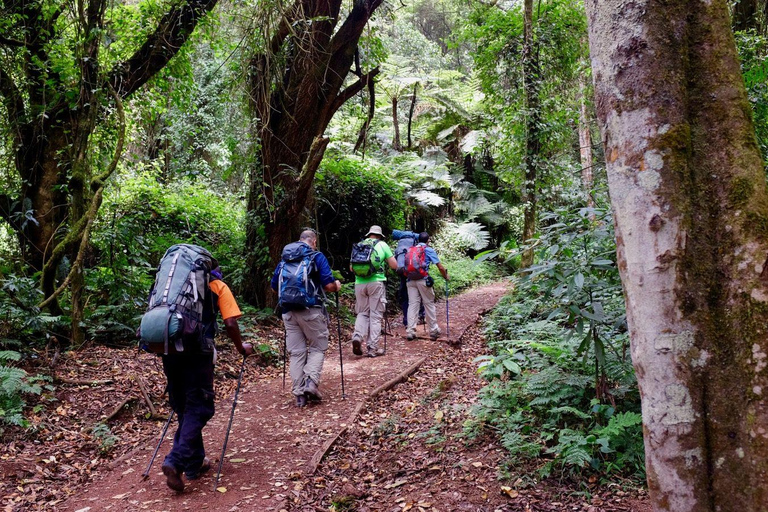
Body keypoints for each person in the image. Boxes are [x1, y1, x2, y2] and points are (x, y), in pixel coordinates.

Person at [161, 263, 254, 493]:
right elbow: (230, 322)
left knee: (184, 407)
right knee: (200, 408)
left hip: (168, 349)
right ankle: (176, 460)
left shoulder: (171, 286)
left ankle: (194, 463)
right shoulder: (217, 285)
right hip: (197, 353)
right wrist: (241, 347)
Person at [271, 229, 341, 408]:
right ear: (313, 241)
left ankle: (299, 394)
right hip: (310, 310)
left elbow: (274, 287)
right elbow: (328, 285)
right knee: (318, 346)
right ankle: (311, 382)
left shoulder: (285, 259)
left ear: (300, 240)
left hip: (288, 312)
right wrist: (336, 286)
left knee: (297, 352)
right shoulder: (316, 256)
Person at [350, 225, 398, 357]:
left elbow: (351, 268)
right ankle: (372, 348)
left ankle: (357, 336)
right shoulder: (382, 245)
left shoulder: (360, 245)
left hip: (359, 283)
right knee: (375, 316)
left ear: (369, 234)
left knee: (362, 313)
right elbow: (394, 265)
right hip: (376, 283)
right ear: (380, 235)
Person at [406, 232, 449, 341]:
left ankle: (410, 331)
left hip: (410, 280)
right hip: (423, 280)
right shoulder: (428, 250)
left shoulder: (411, 249)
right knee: (428, 303)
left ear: (418, 240)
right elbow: (440, 267)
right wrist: (445, 276)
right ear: (428, 240)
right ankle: (433, 330)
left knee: (412, 305)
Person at [392, 229, 425, 327]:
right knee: (417, 294)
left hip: (402, 271)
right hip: (412, 272)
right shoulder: (414, 244)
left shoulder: (399, 247)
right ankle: (421, 315)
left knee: (404, 294)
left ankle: (406, 319)